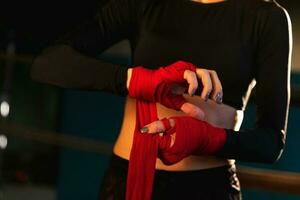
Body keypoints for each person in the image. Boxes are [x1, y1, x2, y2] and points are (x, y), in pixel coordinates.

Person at [30, 0, 292, 199]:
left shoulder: (267, 18)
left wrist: (207, 138)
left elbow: (271, 142)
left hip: (209, 187)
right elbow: (48, 64)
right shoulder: (145, 3)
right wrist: (135, 80)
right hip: (128, 180)